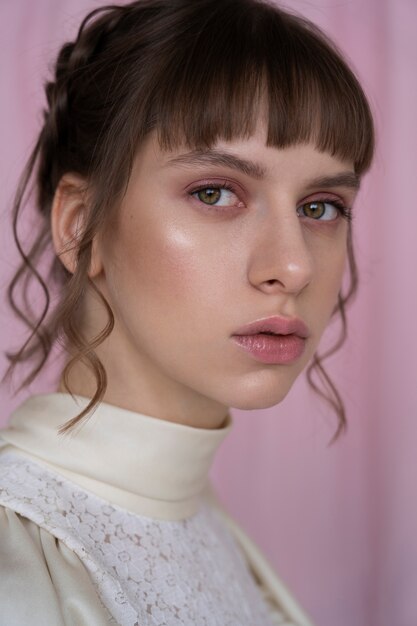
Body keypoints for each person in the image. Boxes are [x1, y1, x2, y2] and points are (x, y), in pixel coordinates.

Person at [0, 0, 374, 624]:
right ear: (80, 224)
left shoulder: (199, 515)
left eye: (321, 206)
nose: (295, 266)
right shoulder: (18, 556)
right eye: (215, 192)